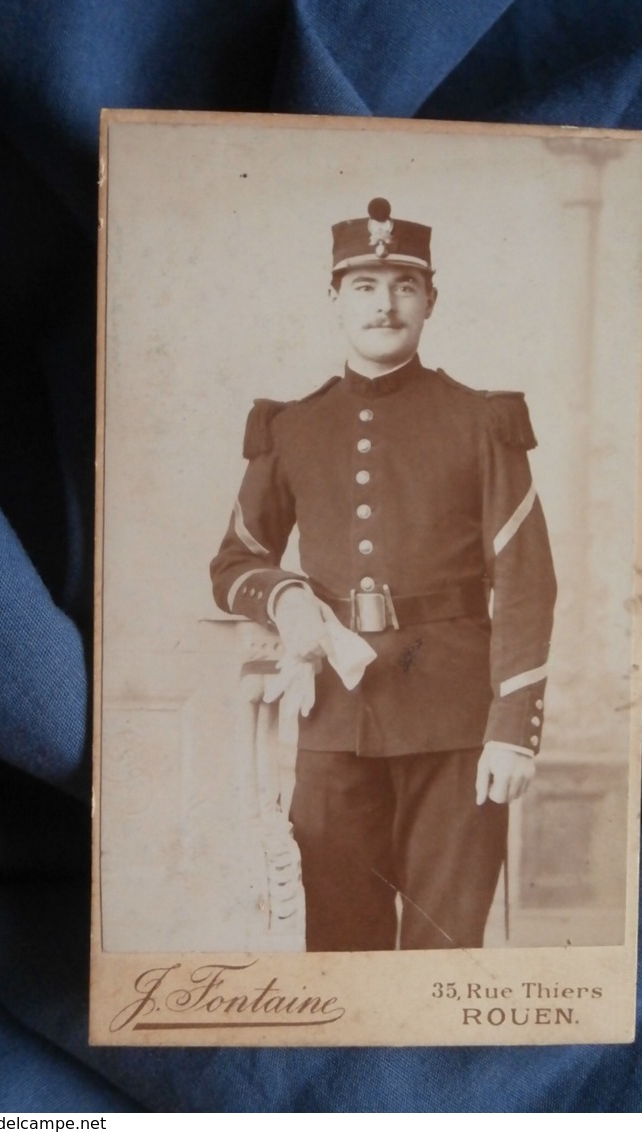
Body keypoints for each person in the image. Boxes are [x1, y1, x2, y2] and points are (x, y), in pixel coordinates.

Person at [210, 198, 557, 951]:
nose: (384, 302)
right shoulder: (290, 427)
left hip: (458, 724)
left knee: (444, 949)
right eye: (363, 284)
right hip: (334, 719)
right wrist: (288, 594)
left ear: (430, 299)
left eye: (402, 283)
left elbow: (526, 577)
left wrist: (512, 731)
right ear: (333, 299)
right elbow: (235, 562)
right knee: (338, 947)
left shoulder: (481, 420)